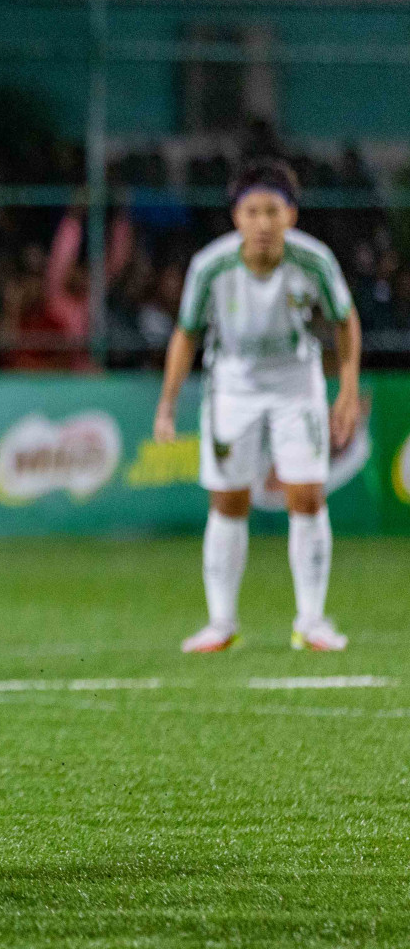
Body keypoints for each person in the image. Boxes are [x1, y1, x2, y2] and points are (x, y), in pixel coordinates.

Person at [153, 158, 361, 654]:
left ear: (291, 215)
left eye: (273, 210)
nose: (263, 222)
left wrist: (348, 390)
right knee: (228, 501)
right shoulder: (211, 265)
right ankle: (221, 623)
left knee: (307, 496)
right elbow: (186, 335)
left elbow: (345, 321)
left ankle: (311, 622)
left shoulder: (315, 260)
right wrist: (167, 404)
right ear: (236, 218)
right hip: (233, 384)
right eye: (252, 210)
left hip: (296, 382)